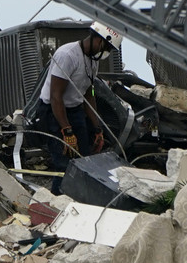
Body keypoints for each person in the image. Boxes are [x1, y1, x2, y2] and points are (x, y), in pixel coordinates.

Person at [36, 22, 123, 193]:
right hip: (54, 111)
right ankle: (57, 201)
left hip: (75, 109)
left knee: (84, 160)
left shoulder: (92, 61)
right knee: (64, 162)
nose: (106, 52)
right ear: (98, 40)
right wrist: (66, 131)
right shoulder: (67, 55)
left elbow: (88, 94)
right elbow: (56, 96)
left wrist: (97, 128)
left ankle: (80, 199)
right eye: (107, 47)